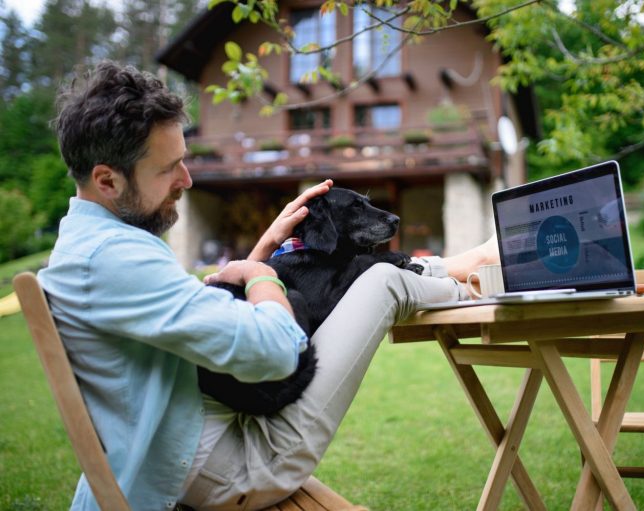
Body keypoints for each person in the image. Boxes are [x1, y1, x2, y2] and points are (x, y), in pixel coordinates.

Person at [40, 60, 499, 511]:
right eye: (169, 168)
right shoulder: (117, 260)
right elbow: (279, 348)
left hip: (191, 450)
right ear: (107, 180)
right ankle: (472, 281)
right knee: (381, 278)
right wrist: (262, 276)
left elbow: (207, 317)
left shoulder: (86, 246)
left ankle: (461, 268)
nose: (188, 179)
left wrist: (260, 255)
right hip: (235, 467)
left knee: (375, 274)